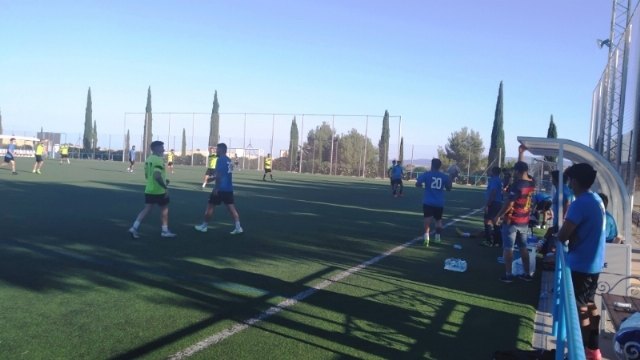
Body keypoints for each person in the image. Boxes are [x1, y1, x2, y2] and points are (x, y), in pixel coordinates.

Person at [557, 163, 605, 360]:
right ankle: (594, 347)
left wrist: (567, 233)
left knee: (580, 308)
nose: (568, 183)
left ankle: (584, 350)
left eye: (570, 180)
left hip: (582, 265)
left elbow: (562, 235)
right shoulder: (596, 199)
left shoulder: (581, 203)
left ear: (575, 181)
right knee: (589, 302)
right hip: (593, 264)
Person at [494, 145, 535, 283]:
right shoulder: (531, 183)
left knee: (508, 248)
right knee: (523, 247)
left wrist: (498, 215)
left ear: (517, 171)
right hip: (524, 221)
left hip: (512, 220)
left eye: (515, 171)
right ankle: (527, 273)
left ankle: (508, 274)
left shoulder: (516, 185)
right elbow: (522, 169)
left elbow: (509, 204)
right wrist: (521, 154)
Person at [128, 141, 175, 239]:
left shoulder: (148, 159)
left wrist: (163, 179)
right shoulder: (158, 160)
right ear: (156, 148)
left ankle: (134, 227)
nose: (163, 149)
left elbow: (147, 175)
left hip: (149, 189)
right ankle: (165, 231)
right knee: (164, 210)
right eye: (162, 147)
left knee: (147, 209)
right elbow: (157, 176)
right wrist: (165, 187)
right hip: (159, 190)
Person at [194, 143, 243, 235]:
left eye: (217, 149)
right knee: (232, 209)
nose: (216, 151)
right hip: (229, 188)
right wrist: (211, 179)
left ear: (221, 150)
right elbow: (226, 174)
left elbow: (219, 175)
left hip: (220, 188)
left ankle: (204, 226)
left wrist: (216, 187)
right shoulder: (229, 160)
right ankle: (238, 227)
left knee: (210, 207)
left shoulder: (220, 160)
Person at [415, 158, 452, 246]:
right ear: (439, 166)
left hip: (428, 202)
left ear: (432, 165)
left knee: (427, 221)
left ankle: (426, 239)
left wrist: (420, 185)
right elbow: (449, 188)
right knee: (438, 221)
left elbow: (418, 183)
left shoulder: (427, 174)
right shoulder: (444, 176)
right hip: (439, 202)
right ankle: (437, 238)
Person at [482, 166, 504, 247]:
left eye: (491, 171)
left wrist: (488, 204)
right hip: (498, 203)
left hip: (494, 203)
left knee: (487, 221)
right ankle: (497, 242)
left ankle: (489, 241)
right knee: (495, 222)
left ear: (493, 172)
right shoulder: (499, 180)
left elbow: (493, 192)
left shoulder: (494, 180)